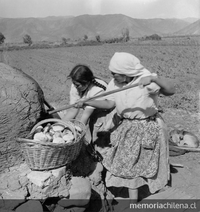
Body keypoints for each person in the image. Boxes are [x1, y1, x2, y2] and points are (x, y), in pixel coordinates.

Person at [75, 52, 175, 201]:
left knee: (137, 164)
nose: (113, 76)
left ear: (127, 72)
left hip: (146, 127)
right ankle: (132, 198)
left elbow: (171, 91)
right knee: (129, 163)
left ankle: (140, 199)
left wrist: (154, 79)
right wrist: (89, 102)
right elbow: (109, 103)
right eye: (112, 73)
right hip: (127, 127)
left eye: (116, 73)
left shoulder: (145, 79)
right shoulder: (115, 83)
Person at [62, 64, 115, 144]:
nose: (75, 86)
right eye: (74, 83)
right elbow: (73, 110)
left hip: (104, 115)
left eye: (77, 85)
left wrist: (77, 134)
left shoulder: (97, 90)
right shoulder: (76, 86)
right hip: (92, 111)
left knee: (98, 139)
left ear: (86, 83)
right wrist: (60, 125)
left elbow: (85, 117)